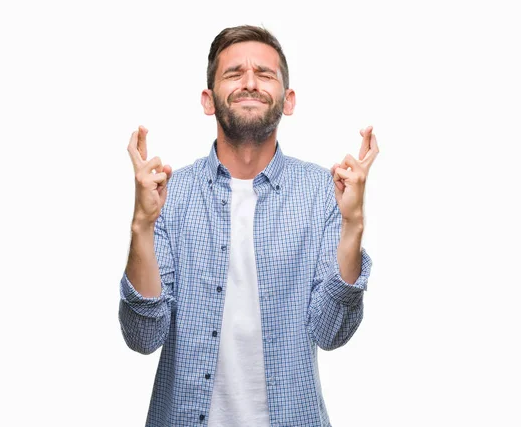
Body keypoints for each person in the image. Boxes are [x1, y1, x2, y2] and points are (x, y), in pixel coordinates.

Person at [119, 25, 379, 427]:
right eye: (233, 73)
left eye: (265, 73)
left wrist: (353, 224)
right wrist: (141, 223)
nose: (250, 83)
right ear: (208, 100)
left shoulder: (322, 191)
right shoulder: (170, 195)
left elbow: (331, 332)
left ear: (287, 100)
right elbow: (142, 337)